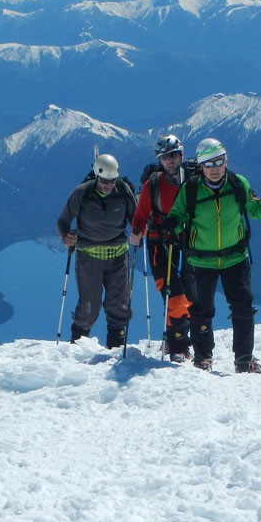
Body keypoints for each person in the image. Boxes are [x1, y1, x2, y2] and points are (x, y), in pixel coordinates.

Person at [165, 138, 261, 373]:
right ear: (200, 166)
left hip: (235, 257)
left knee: (243, 307)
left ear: (226, 160)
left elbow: (253, 207)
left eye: (219, 161)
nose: (215, 168)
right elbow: (177, 214)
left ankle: (243, 359)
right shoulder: (189, 190)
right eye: (209, 164)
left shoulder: (238, 184)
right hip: (200, 259)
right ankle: (203, 357)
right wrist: (173, 226)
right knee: (201, 310)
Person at [55, 153, 137, 348]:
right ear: (96, 176)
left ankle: (116, 347)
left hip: (118, 256)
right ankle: (77, 344)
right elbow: (63, 220)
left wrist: (139, 230)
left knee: (118, 305)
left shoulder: (123, 190)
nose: (108, 185)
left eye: (112, 181)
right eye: (104, 181)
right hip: (89, 257)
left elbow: (135, 218)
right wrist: (65, 235)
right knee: (89, 306)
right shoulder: (82, 192)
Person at [129, 134, 193, 362]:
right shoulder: (153, 184)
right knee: (174, 296)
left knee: (190, 296)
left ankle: (176, 340)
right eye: (165, 157)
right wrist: (136, 232)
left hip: (187, 243)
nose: (170, 161)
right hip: (160, 245)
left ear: (181, 155)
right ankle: (177, 347)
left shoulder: (192, 179)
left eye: (174, 155)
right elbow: (140, 215)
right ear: (160, 160)